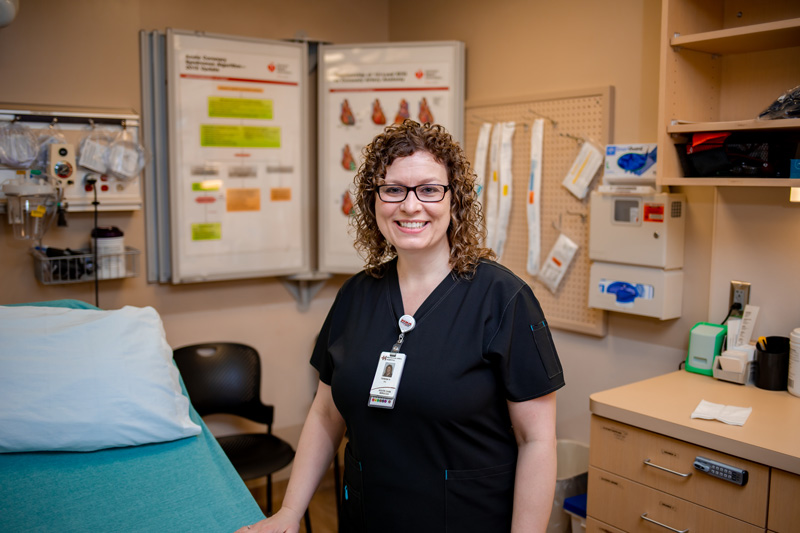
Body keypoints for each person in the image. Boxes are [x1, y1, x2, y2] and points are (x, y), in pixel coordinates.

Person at [237, 120, 564, 533]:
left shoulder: (503, 300)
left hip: (465, 518)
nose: (410, 206)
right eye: (393, 190)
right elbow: (324, 414)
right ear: (374, 201)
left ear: (455, 200)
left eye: (429, 189)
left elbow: (537, 442)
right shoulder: (356, 295)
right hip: (367, 516)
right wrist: (288, 513)